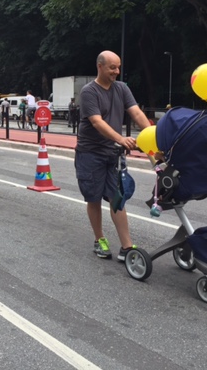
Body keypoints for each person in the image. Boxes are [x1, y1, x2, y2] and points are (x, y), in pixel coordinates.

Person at [75, 50, 151, 261]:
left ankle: (126, 247)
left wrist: (152, 136)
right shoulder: (89, 92)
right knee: (94, 197)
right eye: (112, 67)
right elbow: (97, 121)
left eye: (118, 67)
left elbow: (136, 113)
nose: (116, 71)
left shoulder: (122, 88)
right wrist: (121, 139)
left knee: (117, 198)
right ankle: (99, 239)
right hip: (90, 153)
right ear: (100, 66)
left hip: (114, 154)